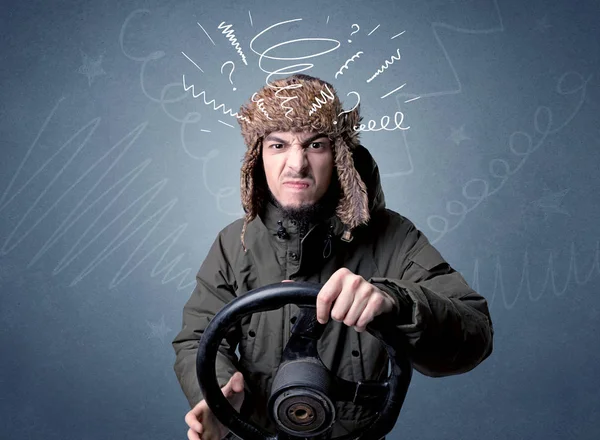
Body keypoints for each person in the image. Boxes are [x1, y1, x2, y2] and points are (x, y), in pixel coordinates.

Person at [172, 74, 494, 440]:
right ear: (257, 157)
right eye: (278, 145)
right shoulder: (234, 244)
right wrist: (220, 398)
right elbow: (197, 338)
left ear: (339, 155)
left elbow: (475, 332)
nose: (296, 165)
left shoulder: (393, 237)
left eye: (315, 145)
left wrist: (398, 302)